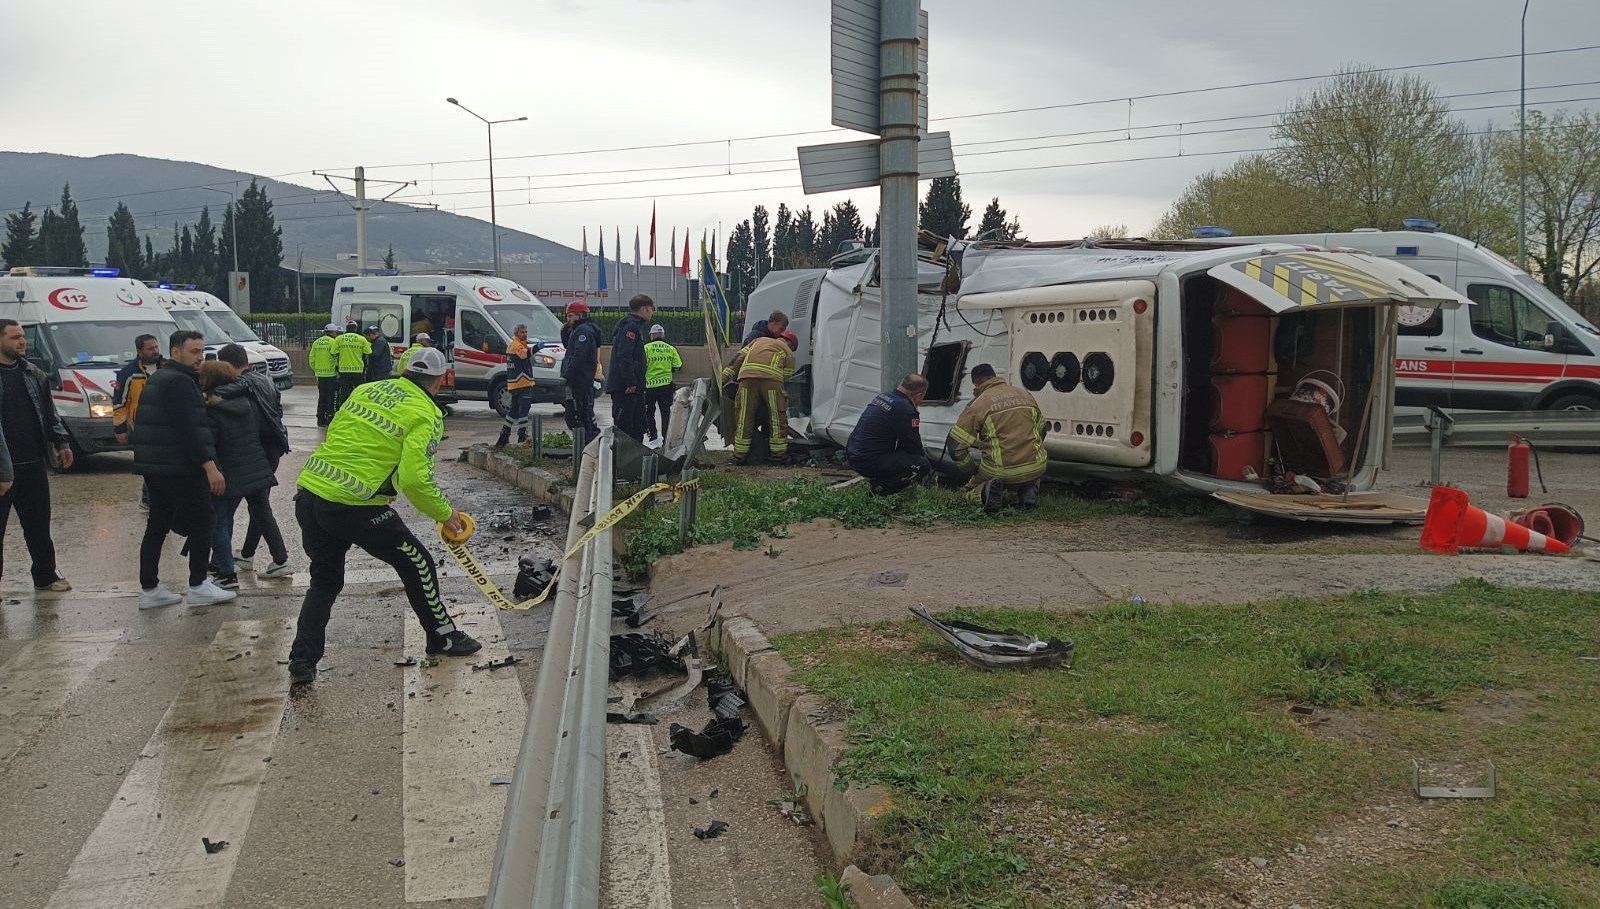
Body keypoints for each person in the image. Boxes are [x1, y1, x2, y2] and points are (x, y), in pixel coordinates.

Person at [287, 346, 479, 685]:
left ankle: (302, 660)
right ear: (440, 380)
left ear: (404, 370)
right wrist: (446, 514)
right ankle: (443, 637)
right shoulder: (425, 413)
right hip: (356, 507)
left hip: (311, 495)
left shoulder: (365, 389)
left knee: (325, 581)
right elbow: (415, 479)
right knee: (418, 563)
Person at [132, 330, 235, 608]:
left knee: (157, 525)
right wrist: (210, 467)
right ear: (175, 352)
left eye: (202, 351)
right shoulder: (180, 382)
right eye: (193, 351)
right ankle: (199, 584)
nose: (200, 357)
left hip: (157, 466)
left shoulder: (161, 378)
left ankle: (150, 588)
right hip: (179, 467)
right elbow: (191, 430)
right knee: (204, 522)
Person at [0, 319, 74, 591]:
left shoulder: (33, 373)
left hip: (32, 463)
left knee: (39, 526)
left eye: (22, 337)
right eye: (14, 337)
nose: (21, 342)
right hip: (2, 467)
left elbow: (49, 414)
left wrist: (62, 443)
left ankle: (46, 576)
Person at [197, 358, 278, 590]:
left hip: (227, 473)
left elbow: (210, 445)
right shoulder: (245, 402)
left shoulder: (212, 410)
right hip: (251, 469)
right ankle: (222, 564)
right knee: (231, 519)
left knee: (219, 523)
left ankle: (226, 573)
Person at [213, 344, 291, 579]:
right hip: (272, 449)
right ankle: (246, 554)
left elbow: (223, 394)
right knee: (258, 504)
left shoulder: (244, 383)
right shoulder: (264, 379)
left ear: (227, 365)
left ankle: (279, 559)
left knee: (250, 506)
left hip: (256, 451)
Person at [945, 363, 1047, 513]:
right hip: (1036, 467)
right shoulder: (1025, 394)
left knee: (967, 493)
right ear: (995, 376)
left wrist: (972, 470)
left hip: (999, 471)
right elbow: (1042, 431)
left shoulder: (978, 404)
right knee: (1028, 472)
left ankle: (984, 492)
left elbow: (955, 447)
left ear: (976, 383)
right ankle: (1028, 489)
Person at [847, 374, 933, 495]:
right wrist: (925, 463)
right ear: (918, 395)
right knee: (921, 464)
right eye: (921, 398)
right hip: (868, 462)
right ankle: (880, 488)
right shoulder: (905, 408)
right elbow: (913, 445)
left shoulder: (884, 396)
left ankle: (881, 478)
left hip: (853, 454)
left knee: (904, 455)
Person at [721, 329, 797, 465]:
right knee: (777, 416)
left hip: (747, 378)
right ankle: (778, 456)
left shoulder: (757, 341)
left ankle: (739, 456)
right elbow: (788, 375)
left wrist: (723, 378)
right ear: (790, 343)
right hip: (772, 381)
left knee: (744, 416)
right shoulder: (788, 351)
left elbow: (737, 358)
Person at [113, 333, 163, 510]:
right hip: (141, 427)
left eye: (156, 347)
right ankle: (149, 499)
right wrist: (120, 429)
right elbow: (120, 402)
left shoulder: (166, 367)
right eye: (150, 348)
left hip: (165, 426)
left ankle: (159, 498)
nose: (155, 351)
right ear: (139, 351)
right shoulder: (128, 373)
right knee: (149, 464)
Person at [606, 294, 654, 442]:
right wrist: (631, 382)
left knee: (638, 425)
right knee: (626, 427)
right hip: (626, 388)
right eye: (651, 310)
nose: (652, 313)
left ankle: (634, 459)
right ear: (645, 309)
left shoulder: (633, 326)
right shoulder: (630, 326)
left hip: (634, 386)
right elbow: (625, 356)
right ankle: (622, 461)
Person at [560, 300, 601, 439]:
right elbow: (569, 347)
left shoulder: (583, 331)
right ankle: (588, 441)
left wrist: (567, 374)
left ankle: (589, 442)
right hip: (579, 379)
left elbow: (578, 355)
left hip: (580, 379)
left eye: (570, 316)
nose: (568, 319)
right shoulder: (578, 330)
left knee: (578, 415)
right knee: (581, 414)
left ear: (580, 315)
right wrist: (565, 332)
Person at [496, 324, 536, 448]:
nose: (525, 334)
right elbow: (524, 355)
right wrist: (537, 348)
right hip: (522, 383)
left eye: (526, 331)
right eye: (522, 332)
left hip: (515, 383)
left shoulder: (514, 345)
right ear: (516, 333)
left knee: (513, 411)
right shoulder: (516, 345)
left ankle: (504, 434)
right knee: (524, 409)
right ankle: (522, 436)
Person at [643, 323, 683, 443]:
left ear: (652, 336)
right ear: (663, 335)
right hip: (666, 386)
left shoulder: (646, 348)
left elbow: (641, 365)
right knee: (666, 412)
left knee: (649, 412)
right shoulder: (670, 348)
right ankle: (666, 438)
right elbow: (678, 366)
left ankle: (653, 436)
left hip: (649, 386)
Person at [309, 323, 341, 425]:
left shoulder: (316, 342)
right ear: (333, 332)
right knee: (331, 397)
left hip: (320, 375)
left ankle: (320, 418)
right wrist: (336, 368)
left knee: (322, 397)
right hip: (331, 375)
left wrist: (317, 369)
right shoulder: (333, 342)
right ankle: (330, 417)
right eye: (336, 332)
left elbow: (311, 359)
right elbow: (336, 357)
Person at [334, 321, 370, 403]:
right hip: (358, 370)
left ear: (347, 328)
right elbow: (368, 352)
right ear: (355, 328)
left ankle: (343, 411)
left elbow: (333, 353)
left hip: (344, 370)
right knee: (359, 392)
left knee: (344, 393)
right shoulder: (362, 339)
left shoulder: (339, 339)